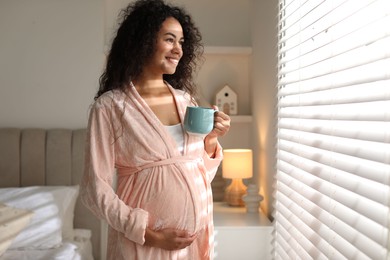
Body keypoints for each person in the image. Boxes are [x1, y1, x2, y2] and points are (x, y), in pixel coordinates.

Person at [80, 0, 230, 259]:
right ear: (143, 41)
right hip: (143, 245)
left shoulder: (186, 102)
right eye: (170, 40)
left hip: (193, 246)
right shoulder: (111, 107)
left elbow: (197, 173)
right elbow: (95, 189)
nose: (178, 50)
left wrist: (211, 141)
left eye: (182, 42)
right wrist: (149, 234)